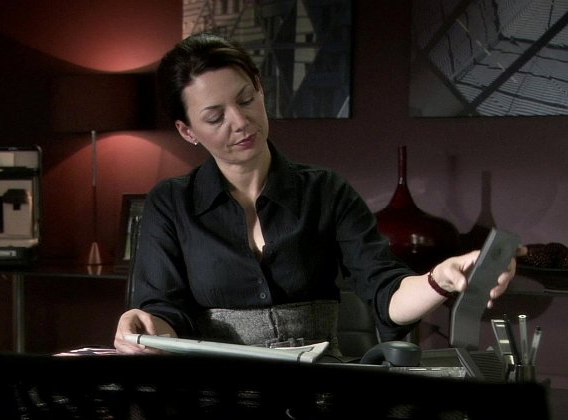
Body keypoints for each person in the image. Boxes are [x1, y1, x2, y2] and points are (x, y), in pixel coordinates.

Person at [113, 32, 519, 357]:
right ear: (187, 131)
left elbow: (386, 294)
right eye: (215, 117)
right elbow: (163, 312)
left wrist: (439, 279)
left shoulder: (326, 191)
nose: (240, 121)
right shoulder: (171, 203)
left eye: (246, 99)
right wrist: (142, 326)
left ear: (260, 89)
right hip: (217, 394)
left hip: (318, 392)